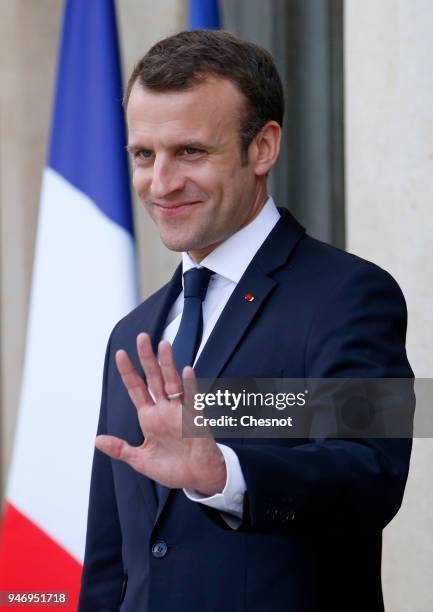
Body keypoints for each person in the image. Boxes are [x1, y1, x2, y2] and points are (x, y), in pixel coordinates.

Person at [78, 30, 413, 612]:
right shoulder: (130, 331)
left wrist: (225, 473)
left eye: (190, 152)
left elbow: (371, 473)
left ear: (262, 148)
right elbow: (112, 561)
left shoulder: (353, 294)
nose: (160, 184)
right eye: (143, 155)